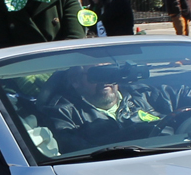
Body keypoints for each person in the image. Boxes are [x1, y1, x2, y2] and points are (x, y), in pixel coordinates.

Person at [38, 64, 191, 154]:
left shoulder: (145, 94)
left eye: (110, 71)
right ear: (75, 81)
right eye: (96, 74)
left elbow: (184, 94)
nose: (105, 79)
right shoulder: (62, 112)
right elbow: (75, 151)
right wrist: (137, 132)